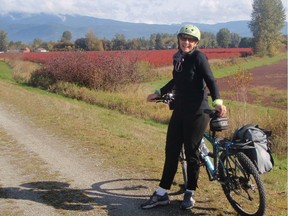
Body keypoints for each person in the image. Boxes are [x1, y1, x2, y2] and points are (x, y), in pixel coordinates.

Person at [141, 24, 227, 210]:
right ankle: (162, 193)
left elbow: (210, 79)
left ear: (195, 43)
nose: (186, 42)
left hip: (197, 111)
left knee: (191, 153)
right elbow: (176, 80)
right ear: (179, 39)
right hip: (179, 109)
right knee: (171, 151)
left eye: (190, 40)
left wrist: (218, 102)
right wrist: (159, 92)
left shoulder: (198, 57)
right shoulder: (178, 58)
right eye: (183, 38)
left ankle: (190, 192)